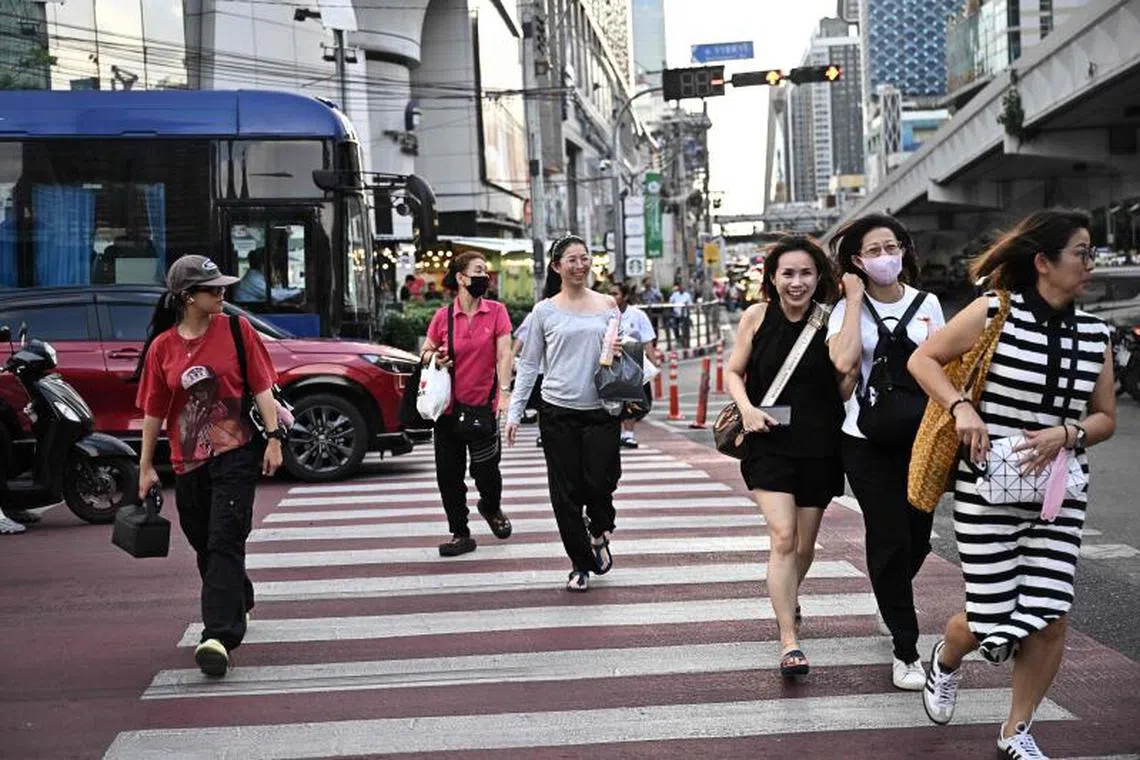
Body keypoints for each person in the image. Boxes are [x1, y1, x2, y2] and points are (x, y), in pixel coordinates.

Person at [908, 209, 1116, 759]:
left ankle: (1016, 730)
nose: (1090, 263)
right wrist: (961, 409)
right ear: (1044, 262)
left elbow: (1105, 418)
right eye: (1082, 252)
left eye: (1091, 252)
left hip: (1059, 494)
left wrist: (1068, 433)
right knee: (993, 617)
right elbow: (923, 360)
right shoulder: (996, 311)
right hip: (988, 489)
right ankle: (946, 660)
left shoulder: (1097, 334)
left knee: (1050, 614)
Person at [134, 254, 283, 678]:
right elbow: (153, 411)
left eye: (222, 286)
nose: (222, 293)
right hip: (186, 460)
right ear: (186, 297)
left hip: (236, 451)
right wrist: (146, 467)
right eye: (212, 288)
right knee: (204, 540)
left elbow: (261, 386)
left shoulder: (237, 329)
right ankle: (239, 595)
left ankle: (218, 635)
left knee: (224, 536)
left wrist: (274, 438)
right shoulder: (163, 348)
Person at [826, 213, 946, 691]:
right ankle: (906, 648)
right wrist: (854, 299)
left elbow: (946, 361)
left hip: (922, 437)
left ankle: (887, 592)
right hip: (864, 439)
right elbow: (841, 361)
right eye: (873, 251)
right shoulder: (843, 308)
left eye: (891, 247)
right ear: (856, 260)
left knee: (919, 537)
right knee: (890, 534)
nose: (884, 258)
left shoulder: (928, 303)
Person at [723, 235, 844, 678]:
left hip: (820, 444)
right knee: (783, 538)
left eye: (806, 273)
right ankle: (788, 638)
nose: (797, 282)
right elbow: (734, 371)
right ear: (772, 277)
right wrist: (748, 409)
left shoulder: (832, 320)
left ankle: (788, 595)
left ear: (820, 277)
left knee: (805, 547)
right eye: (788, 273)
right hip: (768, 438)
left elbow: (846, 380)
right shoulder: (756, 316)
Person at [506, 235, 623, 592]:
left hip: (602, 408)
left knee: (602, 480)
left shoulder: (608, 305)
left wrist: (620, 348)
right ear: (556, 266)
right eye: (571, 260)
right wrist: (513, 412)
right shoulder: (544, 311)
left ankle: (600, 528)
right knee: (566, 492)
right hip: (558, 410)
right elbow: (528, 366)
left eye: (585, 259)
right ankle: (579, 563)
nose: (580, 266)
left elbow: (624, 355)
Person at [419, 251, 514, 557]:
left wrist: (503, 393)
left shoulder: (497, 312)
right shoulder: (443, 317)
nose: (484, 277)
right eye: (477, 271)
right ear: (461, 278)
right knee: (449, 475)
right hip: (447, 410)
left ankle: (490, 506)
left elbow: (504, 355)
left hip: (482, 406)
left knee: (487, 471)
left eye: (485, 271)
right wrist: (436, 357)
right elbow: (424, 353)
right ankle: (460, 532)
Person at [512, 252, 564, 446]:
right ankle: (544, 433)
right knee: (544, 407)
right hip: (547, 378)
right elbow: (522, 352)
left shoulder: (598, 307)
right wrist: (514, 413)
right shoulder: (542, 311)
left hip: (587, 397)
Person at [612, 282, 659, 449]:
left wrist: (653, 363)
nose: (612, 297)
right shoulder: (606, 314)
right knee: (614, 400)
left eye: (616, 294)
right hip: (612, 361)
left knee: (631, 399)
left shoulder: (638, 315)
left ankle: (629, 434)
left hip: (633, 360)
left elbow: (647, 340)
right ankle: (614, 434)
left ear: (624, 297)